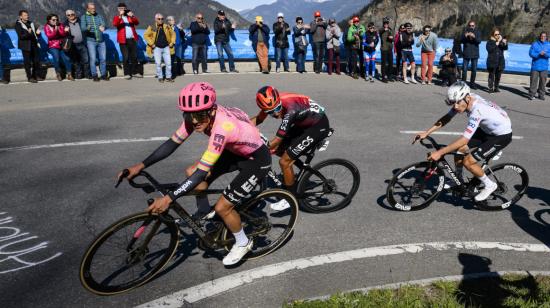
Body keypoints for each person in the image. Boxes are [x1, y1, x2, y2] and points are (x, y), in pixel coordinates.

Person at [119, 82, 270, 266]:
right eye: (189, 116)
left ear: (212, 110)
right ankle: (205, 212)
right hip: (235, 151)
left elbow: (201, 173)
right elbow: (171, 144)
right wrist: (140, 165)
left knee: (223, 206)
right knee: (190, 171)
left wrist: (168, 199)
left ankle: (243, 242)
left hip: (256, 160)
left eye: (199, 115)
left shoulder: (222, 128)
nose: (195, 121)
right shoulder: (198, 115)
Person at [416, 81, 512, 202]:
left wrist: (439, 153)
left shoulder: (477, 111)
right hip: (487, 130)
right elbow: (446, 118)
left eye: (457, 103)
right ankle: (459, 179)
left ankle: (490, 185)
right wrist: (426, 132)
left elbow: (464, 139)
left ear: (467, 97)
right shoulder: (465, 99)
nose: (455, 106)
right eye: (453, 103)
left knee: (468, 162)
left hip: (501, 136)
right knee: (458, 151)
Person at [252, 86, 330, 196]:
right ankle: (303, 173)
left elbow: (277, 140)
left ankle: (291, 197)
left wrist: (255, 148)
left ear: (279, 101)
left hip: (318, 126)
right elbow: (258, 119)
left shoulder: (290, 110)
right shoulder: (271, 104)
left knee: (284, 162)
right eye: (270, 112)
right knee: (279, 151)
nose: (275, 114)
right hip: (304, 123)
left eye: (277, 109)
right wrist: (240, 127)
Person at [144, 13, 175, 83]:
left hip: (166, 47)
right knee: (158, 63)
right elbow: (146, 35)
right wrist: (152, 44)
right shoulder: (152, 27)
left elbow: (173, 34)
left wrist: (172, 42)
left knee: (169, 64)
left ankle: (168, 77)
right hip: (157, 48)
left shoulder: (166, 26)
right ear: (155, 19)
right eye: (159, 19)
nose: (161, 20)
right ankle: (160, 77)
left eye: (162, 19)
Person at [81, 2, 108, 82]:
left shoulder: (99, 16)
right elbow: (82, 28)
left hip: (101, 40)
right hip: (91, 41)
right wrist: (87, 28)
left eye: (94, 8)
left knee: (103, 58)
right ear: (87, 9)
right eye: (91, 8)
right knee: (93, 59)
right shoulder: (84, 17)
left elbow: (104, 25)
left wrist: (103, 27)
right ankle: (94, 75)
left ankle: (103, 75)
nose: (93, 10)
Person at [112, 2, 140, 80]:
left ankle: (135, 72)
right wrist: (120, 16)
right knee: (126, 57)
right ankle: (127, 73)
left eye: (124, 9)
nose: (122, 10)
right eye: (120, 9)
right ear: (118, 9)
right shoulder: (117, 17)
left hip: (132, 39)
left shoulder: (129, 17)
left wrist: (133, 16)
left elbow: (137, 23)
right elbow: (115, 23)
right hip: (123, 41)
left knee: (134, 56)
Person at [15, 10, 42, 83]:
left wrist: (38, 33)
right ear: (20, 16)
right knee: (27, 63)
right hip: (26, 46)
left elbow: (36, 34)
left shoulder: (31, 23)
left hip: (34, 45)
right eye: (25, 15)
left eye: (27, 15)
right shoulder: (18, 24)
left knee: (36, 61)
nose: (27, 16)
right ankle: (29, 77)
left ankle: (34, 75)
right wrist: (29, 33)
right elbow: (21, 36)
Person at [44, 14, 73, 81]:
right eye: (53, 20)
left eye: (57, 19)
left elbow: (62, 34)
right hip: (53, 45)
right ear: (49, 20)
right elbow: (49, 36)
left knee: (66, 58)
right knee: (56, 59)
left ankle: (69, 74)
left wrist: (65, 31)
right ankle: (58, 74)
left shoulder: (60, 25)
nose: (55, 21)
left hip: (61, 45)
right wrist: (55, 30)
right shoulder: (47, 27)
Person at [64, 10, 90, 79]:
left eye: (72, 14)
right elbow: (63, 35)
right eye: (68, 15)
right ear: (66, 16)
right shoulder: (65, 24)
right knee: (75, 60)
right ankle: (79, 74)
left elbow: (87, 29)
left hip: (82, 43)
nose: (70, 16)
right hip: (73, 45)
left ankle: (87, 74)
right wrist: (65, 32)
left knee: (86, 59)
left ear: (75, 14)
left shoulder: (81, 21)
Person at [528, 31, 549, 101]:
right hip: (535, 66)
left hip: (544, 67)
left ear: (546, 37)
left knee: (543, 82)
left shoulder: (548, 44)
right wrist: (539, 54)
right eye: (542, 36)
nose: (543, 37)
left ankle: (541, 95)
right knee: (533, 81)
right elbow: (531, 53)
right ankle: (531, 95)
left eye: (544, 36)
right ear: (540, 36)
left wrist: (545, 54)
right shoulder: (534, 44)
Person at [486, 28, 508, 93]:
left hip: (500, 61)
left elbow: (505, 48)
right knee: (491, 75)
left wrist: (505, 43)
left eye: (498, 34)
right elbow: (489, 50)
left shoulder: (500, 41)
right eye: (496, 34)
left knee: (498, 76)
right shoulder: (490, 41)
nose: (497, 35)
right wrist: (496, 44)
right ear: (493, 35)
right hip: (492, 61)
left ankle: (496, 87)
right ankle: (490, 88)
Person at [461, 20, 481, 89]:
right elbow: (461, 41)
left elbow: (479, 41)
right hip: (466, 53)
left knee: (474, 70)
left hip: (475, 54)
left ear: (475, 26)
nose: (471, 27)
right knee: (464, 69)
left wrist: (474, 37)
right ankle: (463, 83)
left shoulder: (477, 32)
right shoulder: (465, 31)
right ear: (468, 25)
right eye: (470, 25)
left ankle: (472, 84)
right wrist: (465, 36)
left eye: (472, 26)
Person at [379, 17, 394, 82]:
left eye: (387, 23)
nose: (386, 24)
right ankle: (383, 77)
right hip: (383, 48)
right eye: (385, 23)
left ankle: (389, 76)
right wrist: (384, 30)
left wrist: (391, 38)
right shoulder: (381, 30)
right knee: (384, 63)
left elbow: (393, 39)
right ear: (383, 24)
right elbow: (380, 32)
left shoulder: (390, 29)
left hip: (390, 48)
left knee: (391, 63)